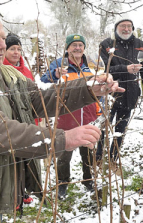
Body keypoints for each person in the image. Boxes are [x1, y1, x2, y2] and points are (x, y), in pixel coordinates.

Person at [0, 10, 124, 223]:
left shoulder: (6, 74)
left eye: (3, 37)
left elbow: (41, 99)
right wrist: (63, 138)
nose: (2, 44)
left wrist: (88, 88)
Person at [40, 34, 102, 199]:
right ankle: (62, 183)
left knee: (88, 153)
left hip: (88, 117)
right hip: (65, 118)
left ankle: (88, 181)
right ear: (67, 48)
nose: (77, 48)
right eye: (74, 45)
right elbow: (43, 84)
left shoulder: (90, 66)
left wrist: (99, 106)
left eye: (80, 45)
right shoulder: (59, 65)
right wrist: (54, 74)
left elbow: (97, 88)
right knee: (64, 154)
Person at [97, 17, 143, 163]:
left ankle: (113, 159)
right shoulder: (106, 45)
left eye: (129, 26)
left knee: (120, 130)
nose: (126, 29)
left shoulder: (140, 45)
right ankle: (97, 159)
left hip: (130, 94)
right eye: (123, 26)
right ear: (116, 28)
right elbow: (103, 70)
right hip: (109, 94)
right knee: (102, 128)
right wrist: (125, 69)